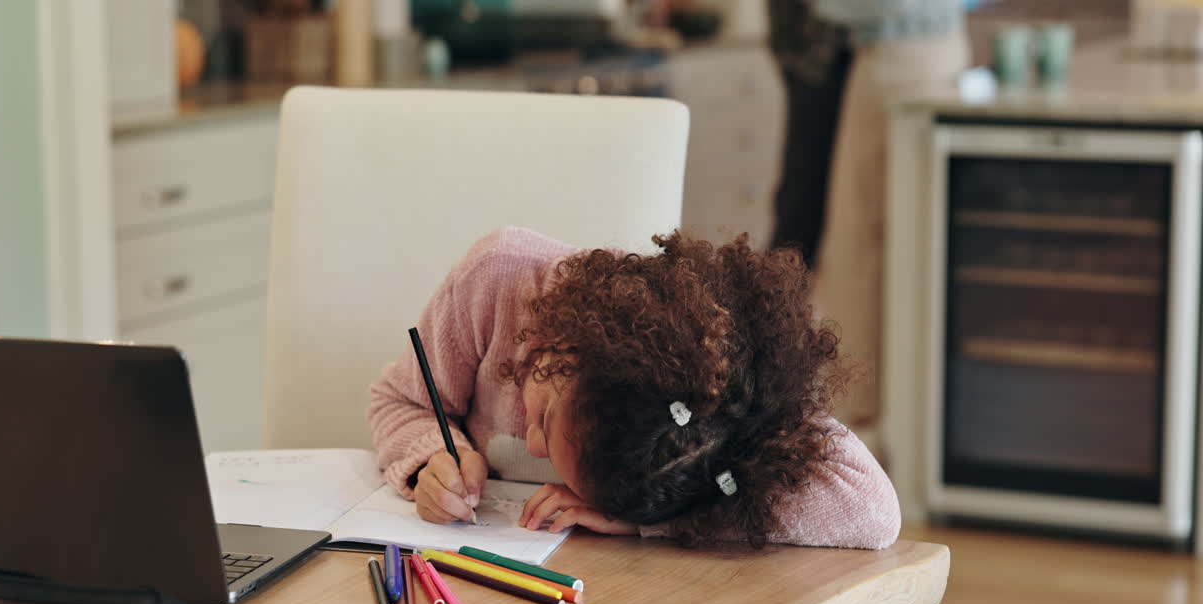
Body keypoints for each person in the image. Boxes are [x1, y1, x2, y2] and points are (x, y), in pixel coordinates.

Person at [368, 226, 900, 550]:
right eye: (546, 418)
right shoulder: (497, 282)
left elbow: (872, 510)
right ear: (564, 347)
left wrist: (653, 519)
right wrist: (435, 457)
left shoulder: (715, 414)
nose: (532, 446)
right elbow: (402, 400)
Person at [768, 0, 971, 426]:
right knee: (864, 238)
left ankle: (857, 414)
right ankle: (880, 411)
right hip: (929, 49)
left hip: (891, 54)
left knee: (857, 244)